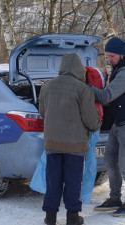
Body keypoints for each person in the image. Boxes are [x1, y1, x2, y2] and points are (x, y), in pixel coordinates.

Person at [39, 53, 101, 225]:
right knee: (73, 182)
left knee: (53, 181)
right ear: (78, 69)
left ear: (62, 67)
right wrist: (97, 124)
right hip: (75, 146)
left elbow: (43, 112)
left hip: (52, 143)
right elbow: (90, 119)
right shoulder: (82, 89)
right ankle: (72, 217)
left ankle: (50, 217)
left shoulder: (47, 87)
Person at [92, 36, 125, 217]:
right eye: (108, 56)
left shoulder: (124, 73)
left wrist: (88, 88)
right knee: (110, 161)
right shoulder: (117, 70)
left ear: (122, 55)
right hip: (117, 124)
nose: (109, 60)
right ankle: (114, 198)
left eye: (112, 56)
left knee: (124, 165)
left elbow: (106, 96)